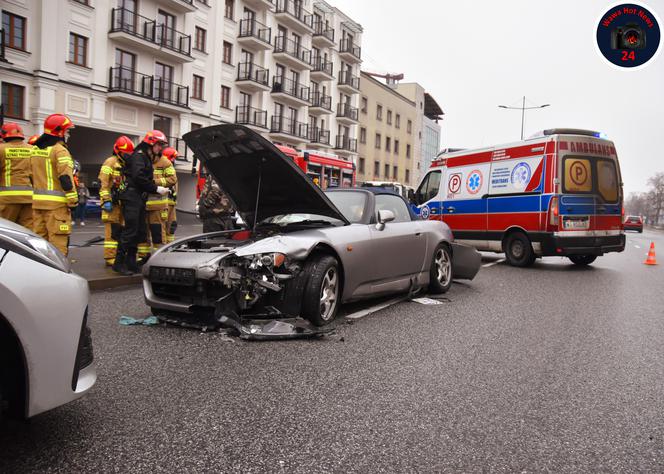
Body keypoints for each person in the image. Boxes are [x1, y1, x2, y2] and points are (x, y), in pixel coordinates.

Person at [113, 130, 169, 275]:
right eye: (159, 145)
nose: (160, 148)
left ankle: (131, 262)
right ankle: (118, 263)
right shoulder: (139, 156)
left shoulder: (144, 156)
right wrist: (156, 188)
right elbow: (138, 177)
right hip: (132, 197)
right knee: (130, 230)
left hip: (138, 197)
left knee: (139, 231)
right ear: (151, 143)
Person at [30, 114, 78, 256]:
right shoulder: (60, 150)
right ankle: (59, 275)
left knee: (40, 244)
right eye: (67, 131)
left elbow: (30, 176)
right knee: (58, 245)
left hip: (38, 205)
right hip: (56, 208)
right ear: (60, 131)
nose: (68, 134)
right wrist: (73, 201)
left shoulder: (35, 149)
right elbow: (65, 178)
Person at [137, 142, 177, 261]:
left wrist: (154, 183)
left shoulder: (165, 162)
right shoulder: (143, 160)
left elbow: (172, 179)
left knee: (158, 234)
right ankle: (143, 257)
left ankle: (160, 259)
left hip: (158, 207)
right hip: (142, 206)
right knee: (142, 235)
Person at [99, 135, 133, 266]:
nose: (127, 155)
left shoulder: (125, 164)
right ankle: (110, 257)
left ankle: (119, 255)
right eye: (125, 153)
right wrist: (106, 200)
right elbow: (104, 183)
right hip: (112, 203)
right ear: (118, 151)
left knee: (121, 231)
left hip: (122, 203)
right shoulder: (110, 162)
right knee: (111, 232)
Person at [0, 123, 34, 230]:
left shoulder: (1, 149)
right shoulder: (33, 149)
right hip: (29, 197)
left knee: (6, 230)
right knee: (28, 232)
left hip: (8, 198)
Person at [162, 147, 179, 244]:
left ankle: (169, 246)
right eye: (174, 158)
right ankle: (162, 248)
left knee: (172, 226)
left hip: (172, 203)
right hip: (164, 204)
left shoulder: (171, 169)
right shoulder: (162, 169)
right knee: (162, 227)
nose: (175, 160)